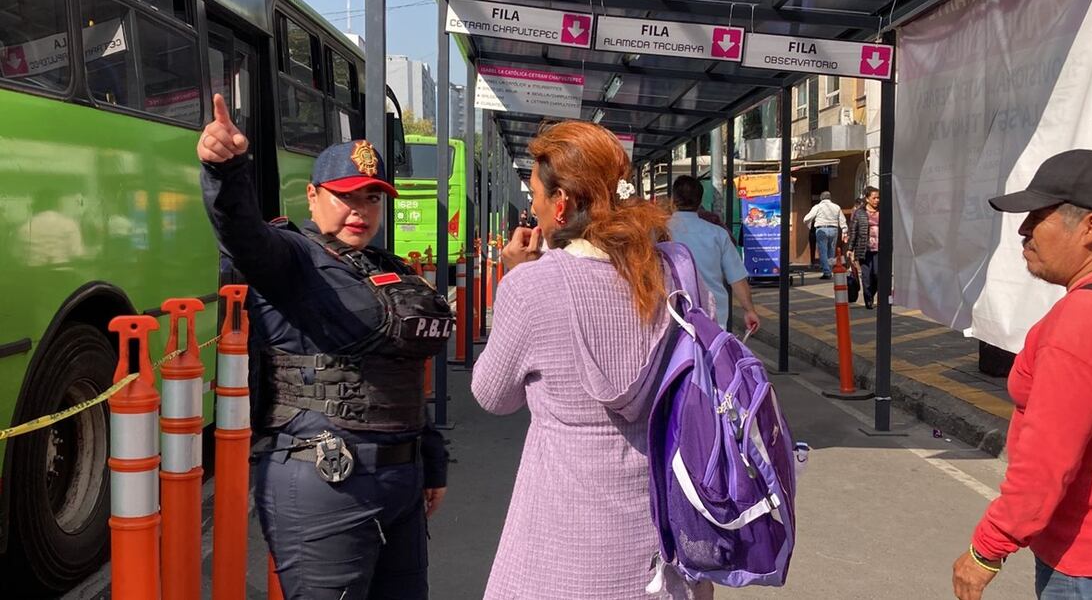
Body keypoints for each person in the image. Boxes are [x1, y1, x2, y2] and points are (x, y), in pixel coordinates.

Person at [197, 94, 450, 599]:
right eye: (347, 195)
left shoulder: (388, 268)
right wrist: (226, 173)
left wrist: (431, 461)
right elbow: (242, 235)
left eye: (372, 198)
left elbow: (398, 373)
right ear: (312, 196)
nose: (360, 209)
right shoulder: (291, 255)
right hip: (328, 478)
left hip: (402, 476)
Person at [471, 122, 711, 600]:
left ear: (560, 202)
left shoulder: (531, 287)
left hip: (562, 548)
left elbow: (492, 396)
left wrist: (515, 280)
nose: (533, 206)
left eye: (536, 194)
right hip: (664, 547)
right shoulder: (674, 272)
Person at [951, 149, 1092, 600]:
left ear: (1090, 227)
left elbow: (1047, 460)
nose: (1023, 230)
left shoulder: (1084, 317)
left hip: (1087, 564)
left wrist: (986, 550)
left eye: (1038, 215)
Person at [668, 175, 760, 334]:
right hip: (713, 320)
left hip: (671, 319)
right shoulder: (718, 234)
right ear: (699, 201)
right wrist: (749, 310)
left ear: (672, 200)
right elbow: (737, 278)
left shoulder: (658, 232)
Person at [847, 186, 881, 309]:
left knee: (877, 275)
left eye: (878, 198)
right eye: (874, 198)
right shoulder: (859, 213)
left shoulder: (882, 211)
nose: (877, 200)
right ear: (867, 199)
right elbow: (853, 231)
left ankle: (871, 293)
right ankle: (868, 299)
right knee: (866, 276)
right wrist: (850, 249)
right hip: (864, 249)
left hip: (879, 249)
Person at [803, 191, 848, 279]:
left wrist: (809, 225)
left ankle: (826, 272)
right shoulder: (836, 207)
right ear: (830, 198)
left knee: (823, 251)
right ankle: (830, 270)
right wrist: (844, 230)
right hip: (834, 229)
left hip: (821, 229)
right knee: (831, 251)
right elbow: (842, 220)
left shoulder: (817, 207)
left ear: (821, 198)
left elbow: (807, 218)